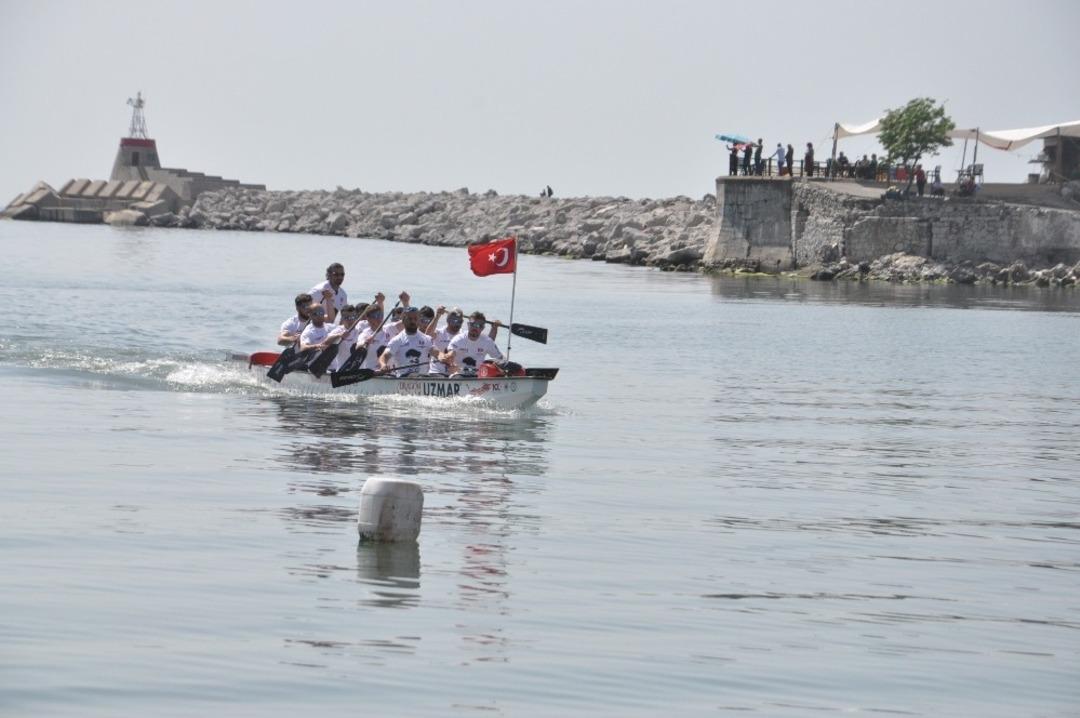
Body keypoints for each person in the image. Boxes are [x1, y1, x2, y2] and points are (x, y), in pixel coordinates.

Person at [442, 311, 504, 377]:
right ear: (468, 324)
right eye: (472, 324)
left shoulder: (487, 341)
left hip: (478, 375)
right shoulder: (459, 339)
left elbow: (500, 358)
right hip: (459, 374)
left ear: (482, 328)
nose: (475, 328)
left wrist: (503, 368)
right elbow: (451, 354)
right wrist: (449, 360)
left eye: (478, 325)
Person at [378, 306, 435, 377]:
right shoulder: (397, 340)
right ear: (403, 320)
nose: (413, 321)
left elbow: (436, 353)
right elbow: (384, 356)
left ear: (418, 320)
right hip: (403, 379)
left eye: (415, 319)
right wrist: (383, 364)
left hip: (422, 378)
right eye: (410, 319)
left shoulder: (427, 339)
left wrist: (444, 357)